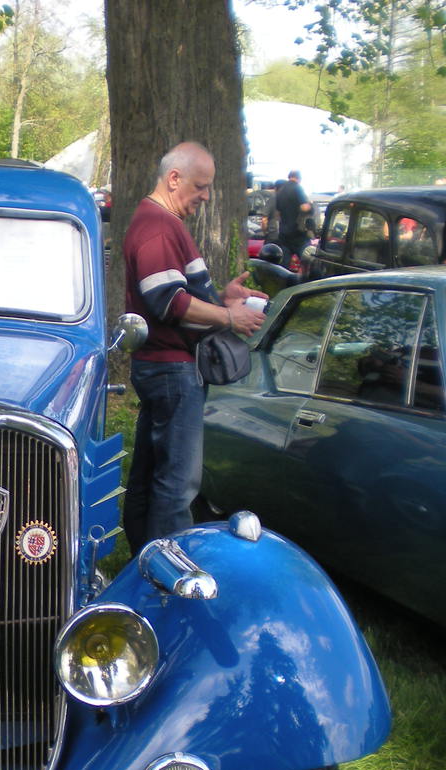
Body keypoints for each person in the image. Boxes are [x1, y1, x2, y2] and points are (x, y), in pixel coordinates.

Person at [121, 141, 266, 552]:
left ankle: (142, 560)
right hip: (171, 369)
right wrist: (229, 317)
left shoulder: (160, 222)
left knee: (152, 474)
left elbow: (176, 293)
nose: (206, 196)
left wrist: (222, 297)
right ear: (174, 178)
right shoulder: (157, 227)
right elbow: (167, 301)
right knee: (178, 483)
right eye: (200, 186)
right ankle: (167, 573)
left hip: (163, 366)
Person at [272, 169, 312, 268]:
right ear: (299, 178)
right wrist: (311, 206)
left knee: (284, 266)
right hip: (299, 235)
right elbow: (304, 207)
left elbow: (277, 214)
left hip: (284, 235)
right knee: (309, 262)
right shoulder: (297, 188)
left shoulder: (280, 191)